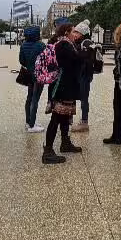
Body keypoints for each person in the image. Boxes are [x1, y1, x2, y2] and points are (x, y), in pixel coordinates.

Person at [42, 23, 84, 164]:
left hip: (66, 86)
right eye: (73, 31)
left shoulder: (65, 44)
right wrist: (87, 52)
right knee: (57, 117)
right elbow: (76, 61)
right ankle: (47, 151)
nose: (75, 34)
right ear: (67, 32)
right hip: (62, 87)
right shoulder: (64, 45)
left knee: (65, 116)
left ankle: (65, 143)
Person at [19, 26, 46, 133]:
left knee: (29, 98)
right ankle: (32, 125)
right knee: (35, 99)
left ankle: (28, 121)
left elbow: (21, 61)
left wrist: (29, 66)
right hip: (39, 75)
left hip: (29, 74)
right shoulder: (41, 45)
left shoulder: (23, 45)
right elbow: (46, 60)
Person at [70, 19, 94, 133]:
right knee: (76, 97)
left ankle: (84, 122)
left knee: (84, 99)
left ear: (82, 33)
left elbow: (85, 59)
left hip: (84, 76)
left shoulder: (86, 43)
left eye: (76, 32)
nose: (74, 34)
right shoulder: (81, 42)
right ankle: (74, 119)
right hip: (81, 75)